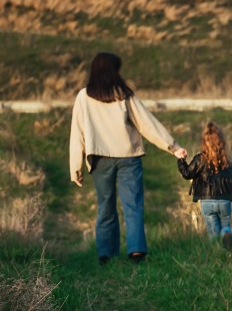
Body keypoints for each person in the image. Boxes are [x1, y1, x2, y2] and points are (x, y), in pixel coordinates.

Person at [69, 52, 187, 265]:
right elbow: (148, 125)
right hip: (128, 158)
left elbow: (77, 134)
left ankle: (106, 254)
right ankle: (136, 251)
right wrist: (173, 147)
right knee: (132, 206)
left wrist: (75, 167)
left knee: (105, 206)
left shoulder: (83, 97)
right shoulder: (124, 94)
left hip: (99, 160)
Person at [177, 122, 232, 251]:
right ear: (221, 141)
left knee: (213, 231)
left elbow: (187, 173)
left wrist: (181, 160)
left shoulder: (200, 159)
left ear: (204, 141)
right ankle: (227, 236)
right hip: (225, 199)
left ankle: (215, 254)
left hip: (207, 200)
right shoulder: (227, 160)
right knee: (225, 225)